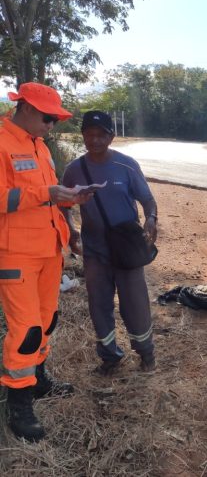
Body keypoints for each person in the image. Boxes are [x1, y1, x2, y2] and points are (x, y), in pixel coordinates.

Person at [0, 82, 89, 442]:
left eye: (55, 120)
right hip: (16, 254)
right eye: (48, 118)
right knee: (26, 330)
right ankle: (17, 401)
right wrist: (45, 193)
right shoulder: (2, 142)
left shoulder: (40, 147)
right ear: (26, 109)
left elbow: (46, 197)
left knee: (47, 319)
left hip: (50, 250)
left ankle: (37, 378)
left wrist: (66, 202)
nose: (51, 126)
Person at [62, 111, 158, 378]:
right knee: (99, 306)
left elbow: (147, 200)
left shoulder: (126, 165)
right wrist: (71, 230)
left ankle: (146, 353)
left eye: (100, 135)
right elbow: (63, 203)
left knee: (135, 304)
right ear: (82, 136)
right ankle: (109, 356)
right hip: (94, 251)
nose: (94, 140)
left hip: (126, 249)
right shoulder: (74, 170)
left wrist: (151, 218)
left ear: (111, 137)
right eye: (89, 135)